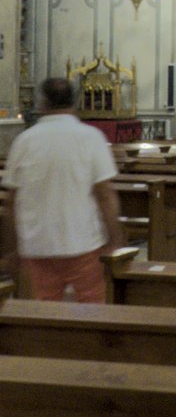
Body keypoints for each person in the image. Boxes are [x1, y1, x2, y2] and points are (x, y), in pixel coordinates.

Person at [1, 76, 122, 302]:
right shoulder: (91, 137)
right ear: (74, 102)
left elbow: (11, 203)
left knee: (44, 313)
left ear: (42, 103)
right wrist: (114, 239)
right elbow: (105, 195)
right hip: (82, 242)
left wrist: (11, 249)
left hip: (38, 245)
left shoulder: (24, 141)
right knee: (92, 311)